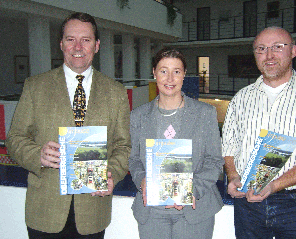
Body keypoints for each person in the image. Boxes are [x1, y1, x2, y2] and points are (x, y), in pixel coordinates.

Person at [5, 12, 131, 239]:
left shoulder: (116, 92)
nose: (78, 46)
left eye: (86, 39)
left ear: (97, 45)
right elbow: (15, 139)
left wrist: (110, 173)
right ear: (61, 44)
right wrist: (38, 155)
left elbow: (123, 146)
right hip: (45, 211)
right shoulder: (35, 86)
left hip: (93, 211)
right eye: (71, 39)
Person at [222, 26, 296, 239]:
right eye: (261, 49)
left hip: (294, 205)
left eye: (277, 47)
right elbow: (229, 146)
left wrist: (274, 185)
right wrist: (233, 175)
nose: (269, 55)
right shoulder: (241, 98)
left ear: (293, 51)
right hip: (247, 205)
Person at [129, 47, 224, 239]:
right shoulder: (138, 115)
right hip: (152, 212)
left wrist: (191, 190)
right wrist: (142, 180)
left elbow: (214, 161)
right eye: (163, 71)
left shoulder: (205, 113)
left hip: (194, 211)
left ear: (184, 75)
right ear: (154, 73)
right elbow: (134, 160)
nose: (170, 79)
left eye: (176, 72)